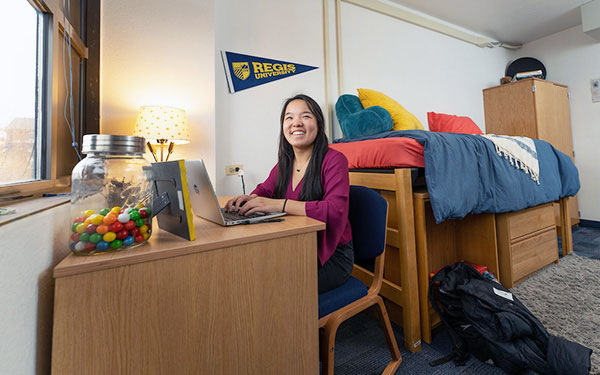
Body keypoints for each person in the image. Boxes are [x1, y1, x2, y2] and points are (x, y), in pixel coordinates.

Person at [224, 94, 353, 294]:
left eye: (306, 116)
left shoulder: (335, 160)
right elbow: (264, 190)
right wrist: (249, 199)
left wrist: (278, 204)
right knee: (251, 272)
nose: (296, 123)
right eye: (289, 118)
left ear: (318, 123)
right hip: (297, 246)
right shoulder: (285, 164)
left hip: (332, 256)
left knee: (274, 286)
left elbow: (334, 210)